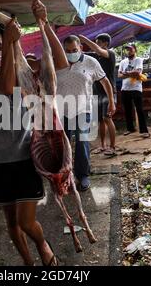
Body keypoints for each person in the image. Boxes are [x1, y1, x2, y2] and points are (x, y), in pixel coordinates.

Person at [0, 0, 69, 266]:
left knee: (27, 222)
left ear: (11, 44)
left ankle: (43, 247)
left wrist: (44, 23)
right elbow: (5, 87)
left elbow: (59, 63)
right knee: (12, 222)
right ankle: (28, 264)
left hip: (27, 156)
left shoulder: (24, 65)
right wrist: (10, 44)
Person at [56, 35, 116, 192]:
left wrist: (111, 101)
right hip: (62, 111)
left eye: (74, 50)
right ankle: (65, 176)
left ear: (80, 48)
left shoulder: (91, 62)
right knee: (63, 145)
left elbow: (105, 82)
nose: (71, 53)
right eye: (67, 51)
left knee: (82, 142)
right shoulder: (58, 63)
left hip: (83, 109)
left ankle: (83, 175)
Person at [79, 34, 118, 156]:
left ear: (105, 43)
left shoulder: (110, 54)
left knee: (107, 118)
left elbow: (96, 50)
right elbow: (83, 54)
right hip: (96, 92)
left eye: (98, 42)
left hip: (108, 91)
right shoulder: (96, 57)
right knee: (100, 120)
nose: (96, 45)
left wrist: (84, 38)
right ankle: (103, 145)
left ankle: (112, 147)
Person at [118, 43, 150, 138]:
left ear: (135, 50)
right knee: (127, 110)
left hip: (136, 88)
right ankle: (130, 128)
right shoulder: (123, 62)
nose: (128, 51)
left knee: (139, 109)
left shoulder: (138, 60)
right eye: (127, 50)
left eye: (130, 49)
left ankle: (144, 130)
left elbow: (138, 72)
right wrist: (131, 73)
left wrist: (126, 73)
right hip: (125, 88)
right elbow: (119, 75)